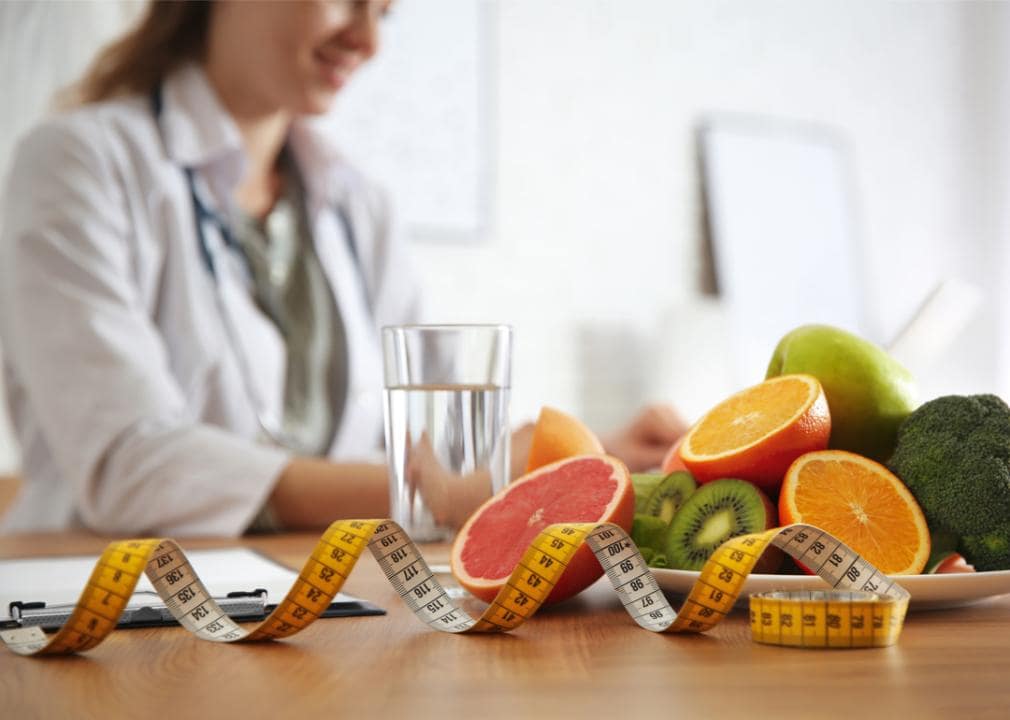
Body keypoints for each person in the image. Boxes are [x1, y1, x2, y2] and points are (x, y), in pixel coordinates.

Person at [0, 0, 686, 537]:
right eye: (347, 0)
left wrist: (588, 453)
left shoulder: (358, 203)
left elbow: (436, 449)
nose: (370, 42)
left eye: (384, 11)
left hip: (323, 603)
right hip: (112, 619)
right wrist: (439, 495)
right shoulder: (77, 164)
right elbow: (130, 467)